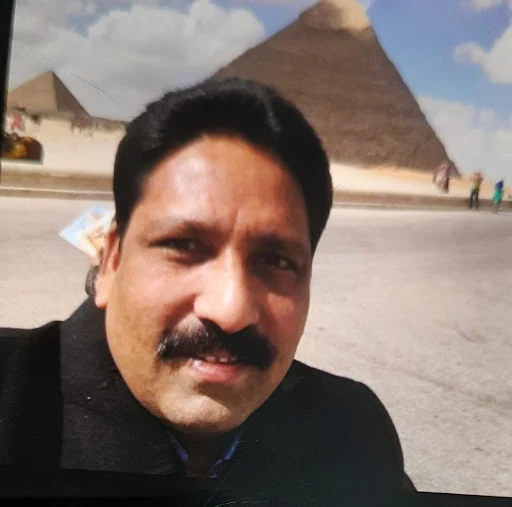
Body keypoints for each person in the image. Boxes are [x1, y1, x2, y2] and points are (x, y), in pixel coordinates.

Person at [0, 78, 415, 502]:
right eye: (183, 245)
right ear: (109, 262)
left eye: (276, 261)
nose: (230, 310)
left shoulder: (354, 433)